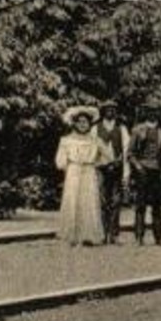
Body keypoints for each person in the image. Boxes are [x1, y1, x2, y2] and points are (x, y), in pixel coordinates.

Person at [56, 105, 111, 245]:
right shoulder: (67, 140)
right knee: (73, 200)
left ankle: (88, 235)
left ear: (89, 124)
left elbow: (108, 156)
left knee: (89, 201)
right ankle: (72, 235)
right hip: (73, 171)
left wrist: (96, 163)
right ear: (74, 123)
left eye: (85, 122)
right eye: (79, 122)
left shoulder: (95, 140)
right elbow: (60, 160)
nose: (82, 125)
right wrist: (67, 166)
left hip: (89, 171)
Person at [126, 116, 161, 245]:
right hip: (143, 171)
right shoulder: (138, 130)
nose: (153, 115)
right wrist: (138, 166)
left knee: (157, 205)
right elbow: (130, 153)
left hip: (157, 171)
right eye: (150, 112)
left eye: (156, 112)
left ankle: (158, 237)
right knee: (141, 204)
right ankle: (139, 236)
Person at [95, 101, 129, 245]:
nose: (110, 112)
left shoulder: (121, 129)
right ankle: (103, 232)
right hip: (101, 169)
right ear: (103, 111)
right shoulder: (95, 129)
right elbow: (92, 150)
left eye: (113, 109)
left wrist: (125, 171)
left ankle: (114, 233)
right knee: (102, 201)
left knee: (116, 201)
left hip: (117, 169)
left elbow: (126, 150)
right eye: (107, 109)